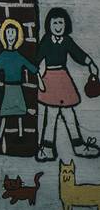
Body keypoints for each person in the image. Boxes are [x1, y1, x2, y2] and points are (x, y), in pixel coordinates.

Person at [35, 8, 99, 161]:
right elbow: (36, 60)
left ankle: (78, 146)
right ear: (49, 24)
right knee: (51, 115)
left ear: (66, 24)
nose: (58, 26)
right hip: (50, 78)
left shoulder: (67, 40)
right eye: (55, 22)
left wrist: (90, 63)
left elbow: (77, 53)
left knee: (69, 113)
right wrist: (39, 80)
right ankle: (47, 148)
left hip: (63, 78)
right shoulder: (46, 40)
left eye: (61, 22)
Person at [0, 18, 40, 150]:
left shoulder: (18, 55)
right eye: (8, 33)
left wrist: (37, 73)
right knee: (5, 111)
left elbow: (29, 65)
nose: (10, 36)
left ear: (17, 36)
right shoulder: (3, 55)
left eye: (13, 33)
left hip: (17, 87)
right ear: (4, 36)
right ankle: (0, 135)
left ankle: (21, 134)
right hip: (8, 87)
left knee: (20, 112)